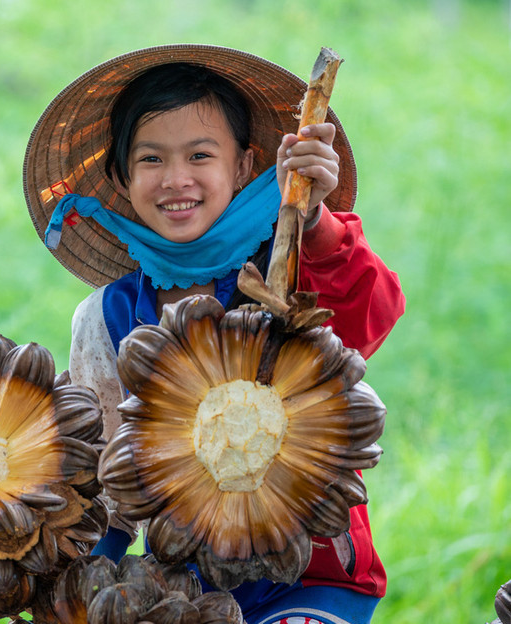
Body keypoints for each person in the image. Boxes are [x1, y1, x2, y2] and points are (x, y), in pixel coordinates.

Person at [23, 45, 405, 624]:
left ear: (244, 167)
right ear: (123, 178)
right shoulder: (103, 319)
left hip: (310, 576)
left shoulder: (288, 268)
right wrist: (77, 588)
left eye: (200, 154)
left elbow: (371, 314)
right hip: (180, 588)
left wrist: (317, 222)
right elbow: (106, 475)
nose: (176, 179)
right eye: (151, 159)